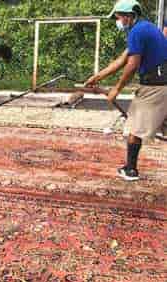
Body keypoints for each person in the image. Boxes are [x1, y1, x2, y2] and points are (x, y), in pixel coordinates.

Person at [85, 0, 167, 181]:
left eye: (119, 17)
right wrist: (97, 77)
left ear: (129, 16)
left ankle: (130, 170)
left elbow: (132, 65)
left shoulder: (137, 32)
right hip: (162, 83)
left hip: (155, 86)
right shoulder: (145, 28)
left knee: (135, 129)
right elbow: (122, 60)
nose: (118, 21)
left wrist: (116, 89)